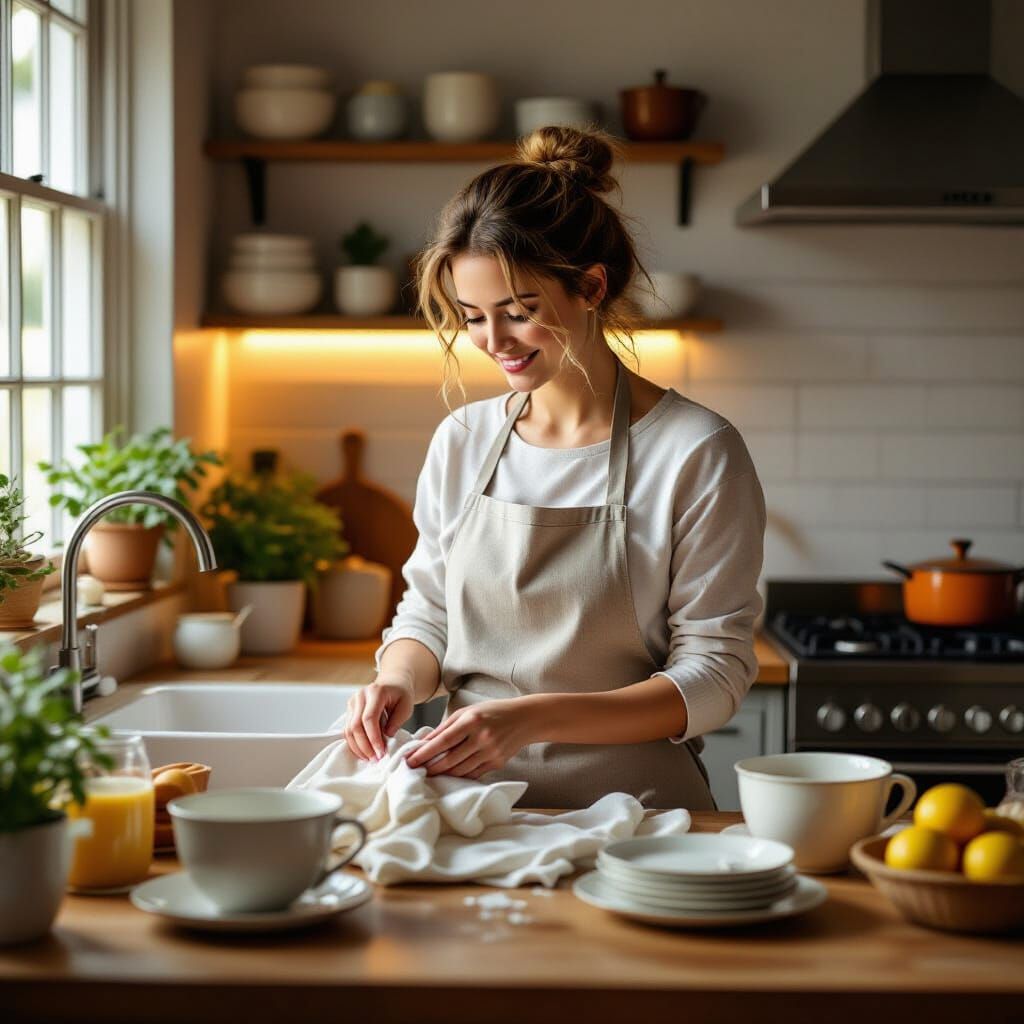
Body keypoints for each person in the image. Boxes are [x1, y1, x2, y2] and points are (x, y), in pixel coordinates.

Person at [344, 125, 766, 810]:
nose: (493, 342)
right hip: (472, 812)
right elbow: (429, 612)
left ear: (592, 287)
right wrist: (397, 678)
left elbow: (714, 677)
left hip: (637, 817)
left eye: (517, 312)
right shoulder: (464, 439)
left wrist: (531, 718)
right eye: (472, 316)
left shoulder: (695, 451)